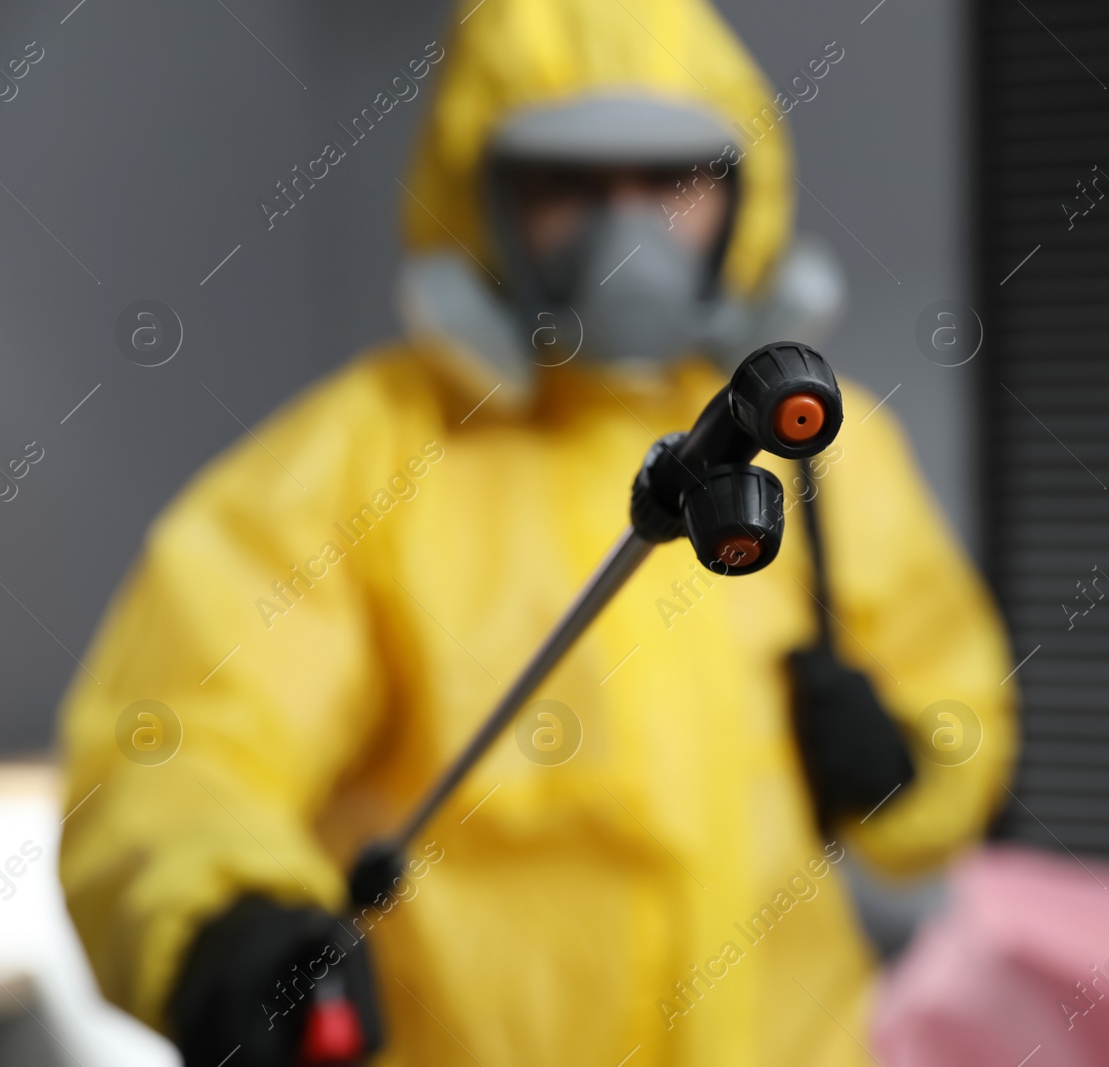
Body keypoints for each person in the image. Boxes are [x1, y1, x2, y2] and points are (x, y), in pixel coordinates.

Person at [57, 0, 1016, 1063]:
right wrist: (229, 928)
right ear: (485, 199)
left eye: (672, 183)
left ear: (743, 193)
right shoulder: (361, 462)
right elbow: (183, 734)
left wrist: (902, 770)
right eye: (569, 187)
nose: (629, 234)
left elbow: (958, 702)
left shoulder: (819, 449)